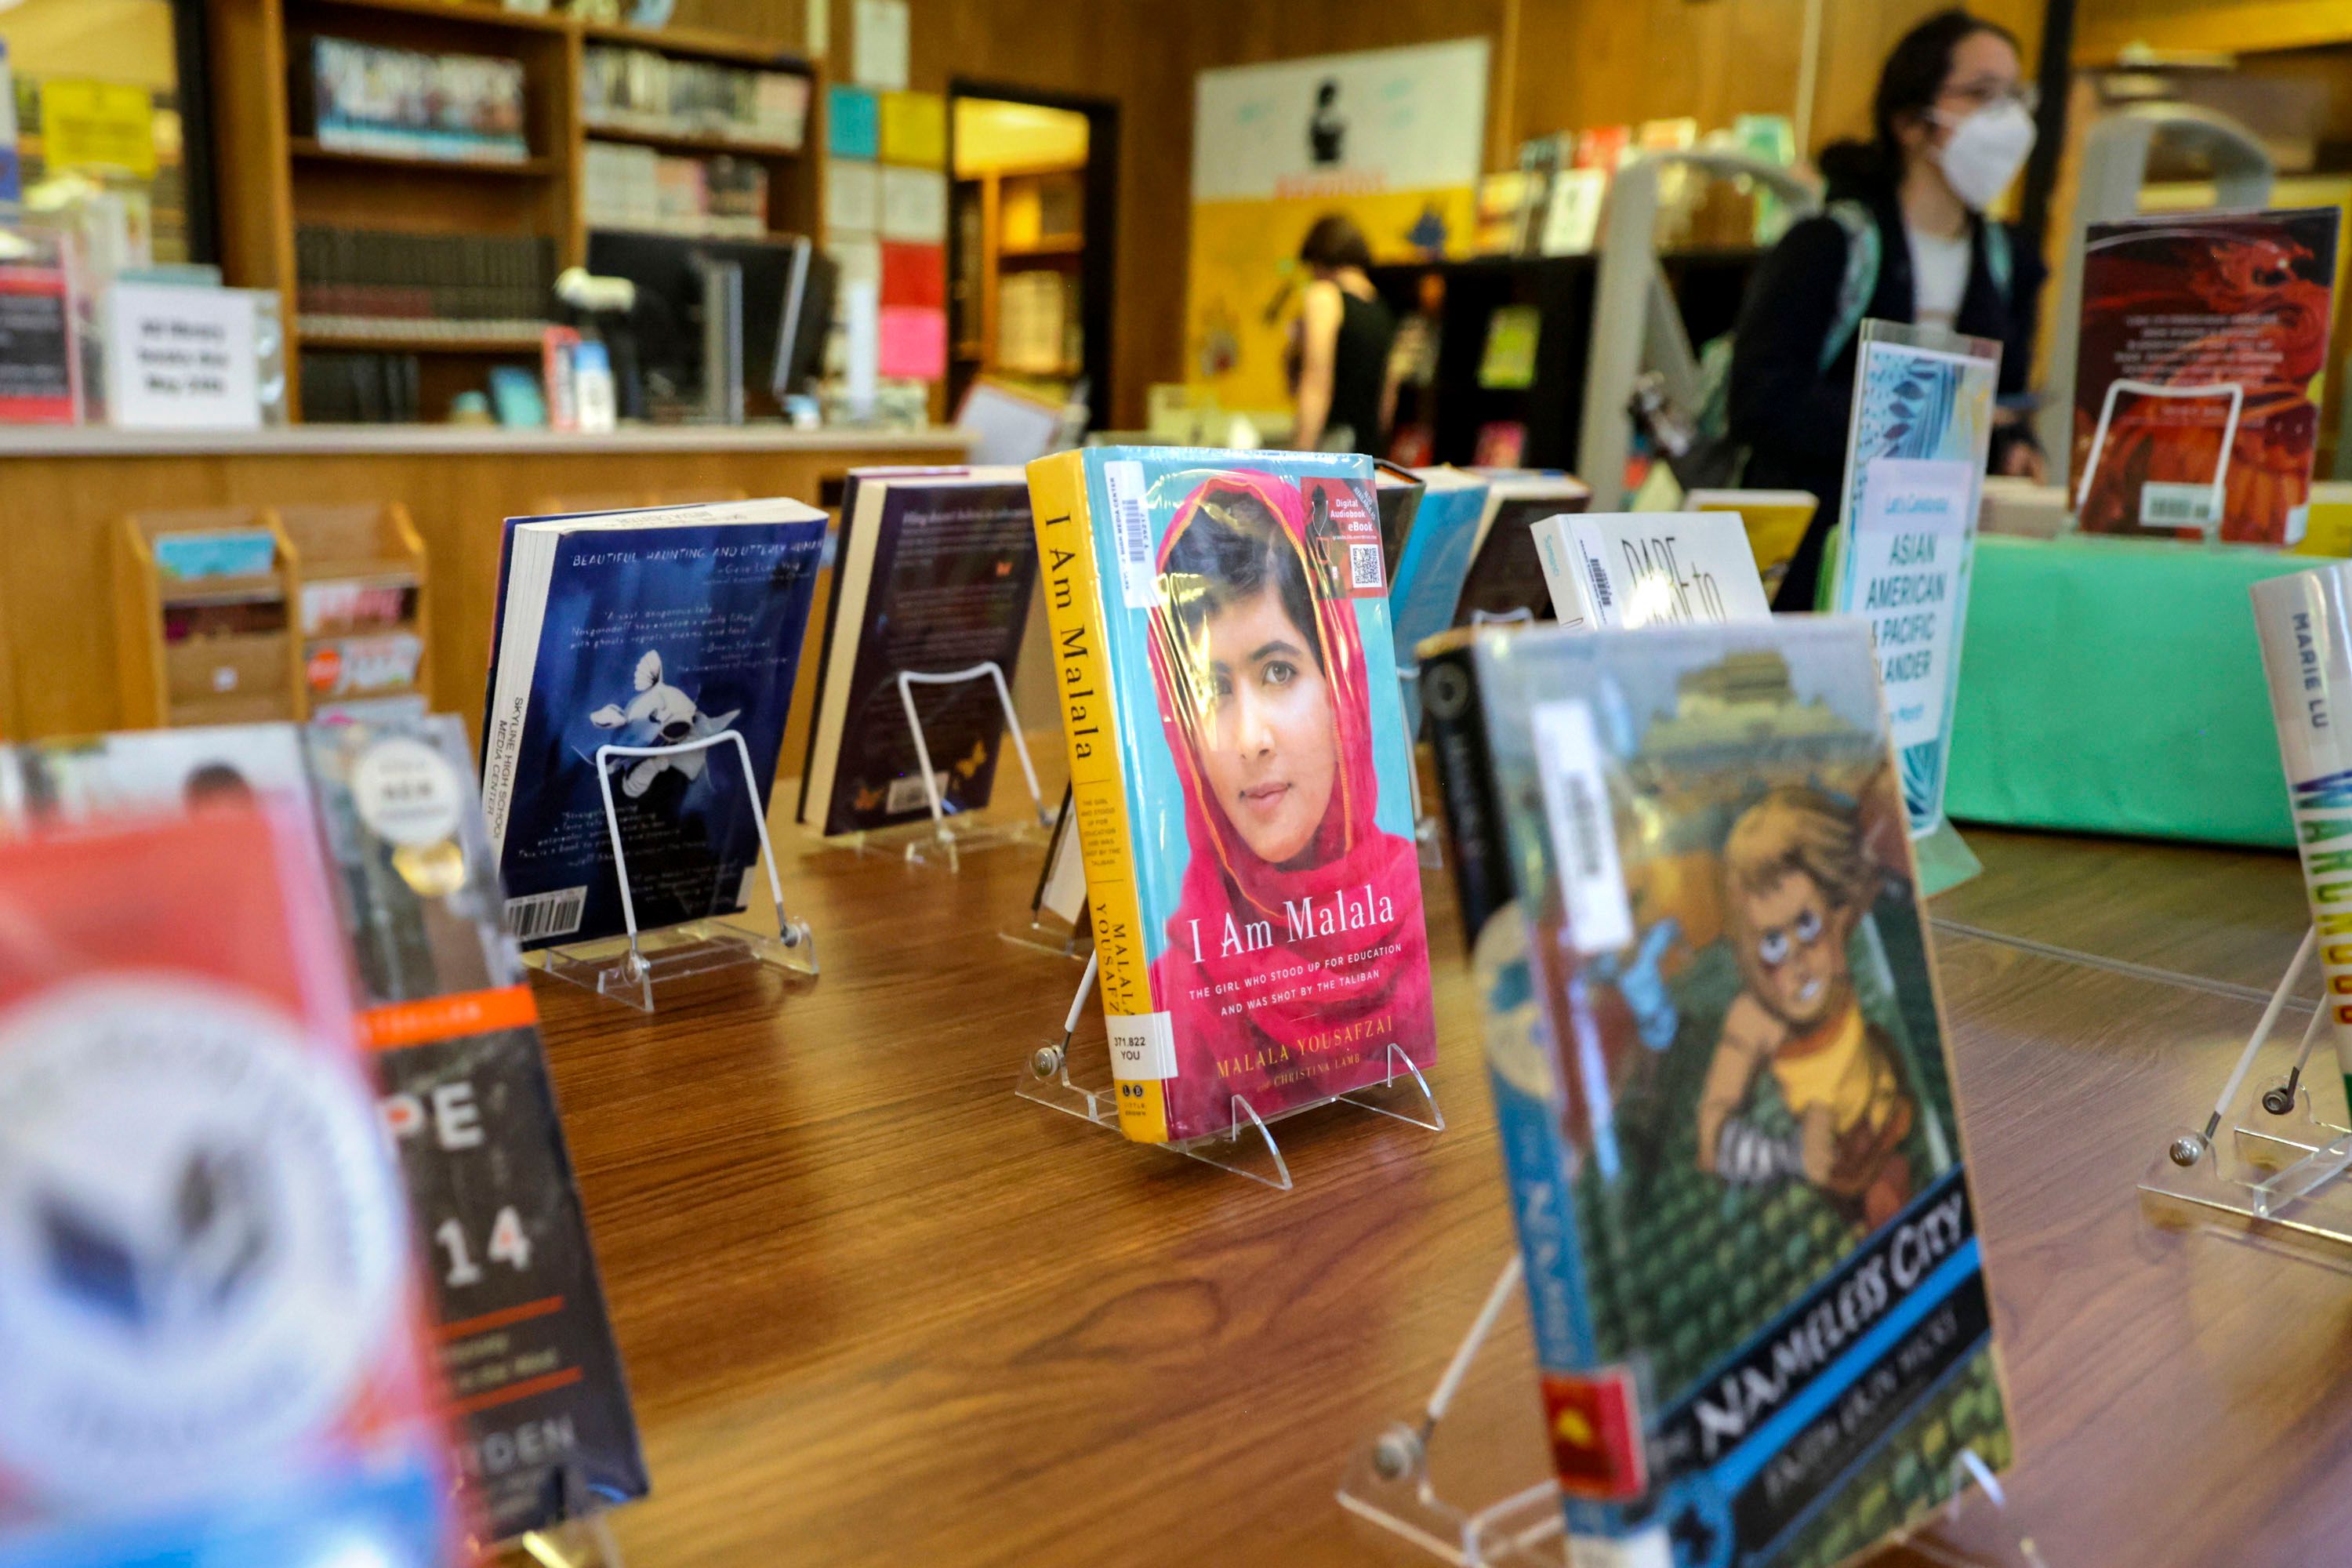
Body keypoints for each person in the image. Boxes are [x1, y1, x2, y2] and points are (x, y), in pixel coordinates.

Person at [1729, 9, 2047, 609]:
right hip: (1810, 557)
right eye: (1981, 94)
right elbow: (1761, 401)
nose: (2007, 120)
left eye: (2016, 97)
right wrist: (1933, 422)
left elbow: (2004, 402)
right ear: (1911, 121)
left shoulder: (2011, 262)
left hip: (1925, 561)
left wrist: (2017, 446)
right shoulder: (1830, 244)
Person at [1146, 471, 1432, 1120]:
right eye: (1212, 690)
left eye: (1279, 672)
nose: (1249, 740)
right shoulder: (1171, 1001)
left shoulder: (1413, 920)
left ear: (1342, 685)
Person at [1696, 782, 1916, 1231]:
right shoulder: (1756, 1018)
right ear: (1746, 948)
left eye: (1806, 925)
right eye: (1773, 944)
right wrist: (1788, 1153)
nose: (1798, 963)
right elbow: (1712, 1133)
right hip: (1835, 1156)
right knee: (1872, 1214)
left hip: (1883, 1105)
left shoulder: (1831, 942)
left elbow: (1871, 874)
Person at [1289, 215, 1397, 456]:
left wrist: (1298, 456)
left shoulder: (1324, 297)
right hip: (1366, 452)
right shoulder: (1381, 308)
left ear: (1319, 260)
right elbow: (1388, 397)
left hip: (1333, 451)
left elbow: (1316, 383)